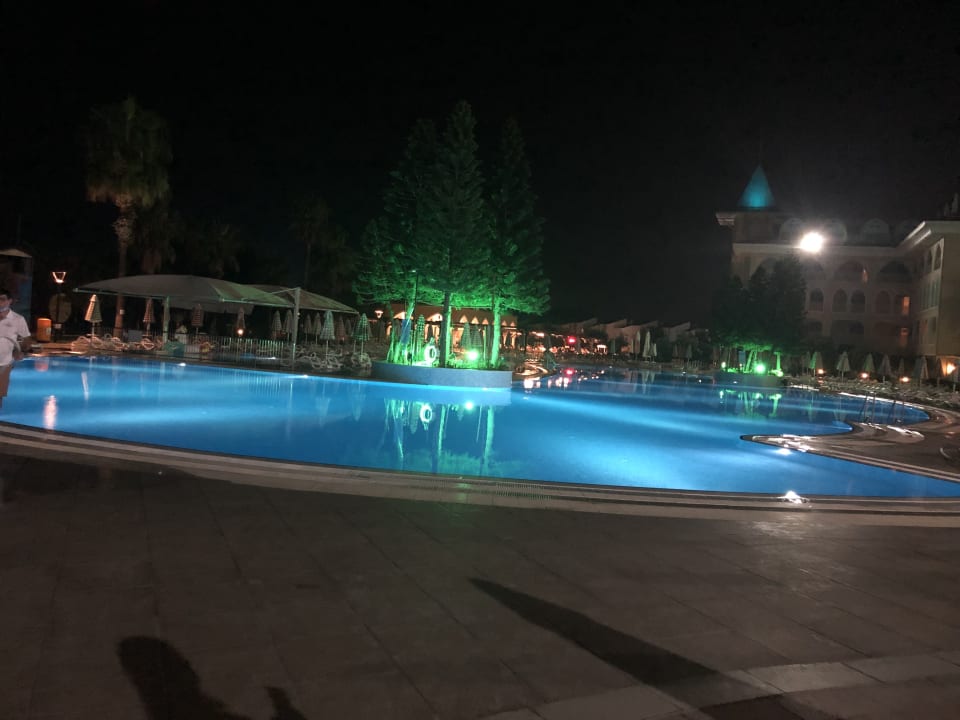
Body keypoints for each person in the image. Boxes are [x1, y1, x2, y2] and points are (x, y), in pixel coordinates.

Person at [0, 288, 31, 408]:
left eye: (2, 299)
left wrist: (20, 351)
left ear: (10, 301)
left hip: (4, 363)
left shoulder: (18, 319)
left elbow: (26, 340)